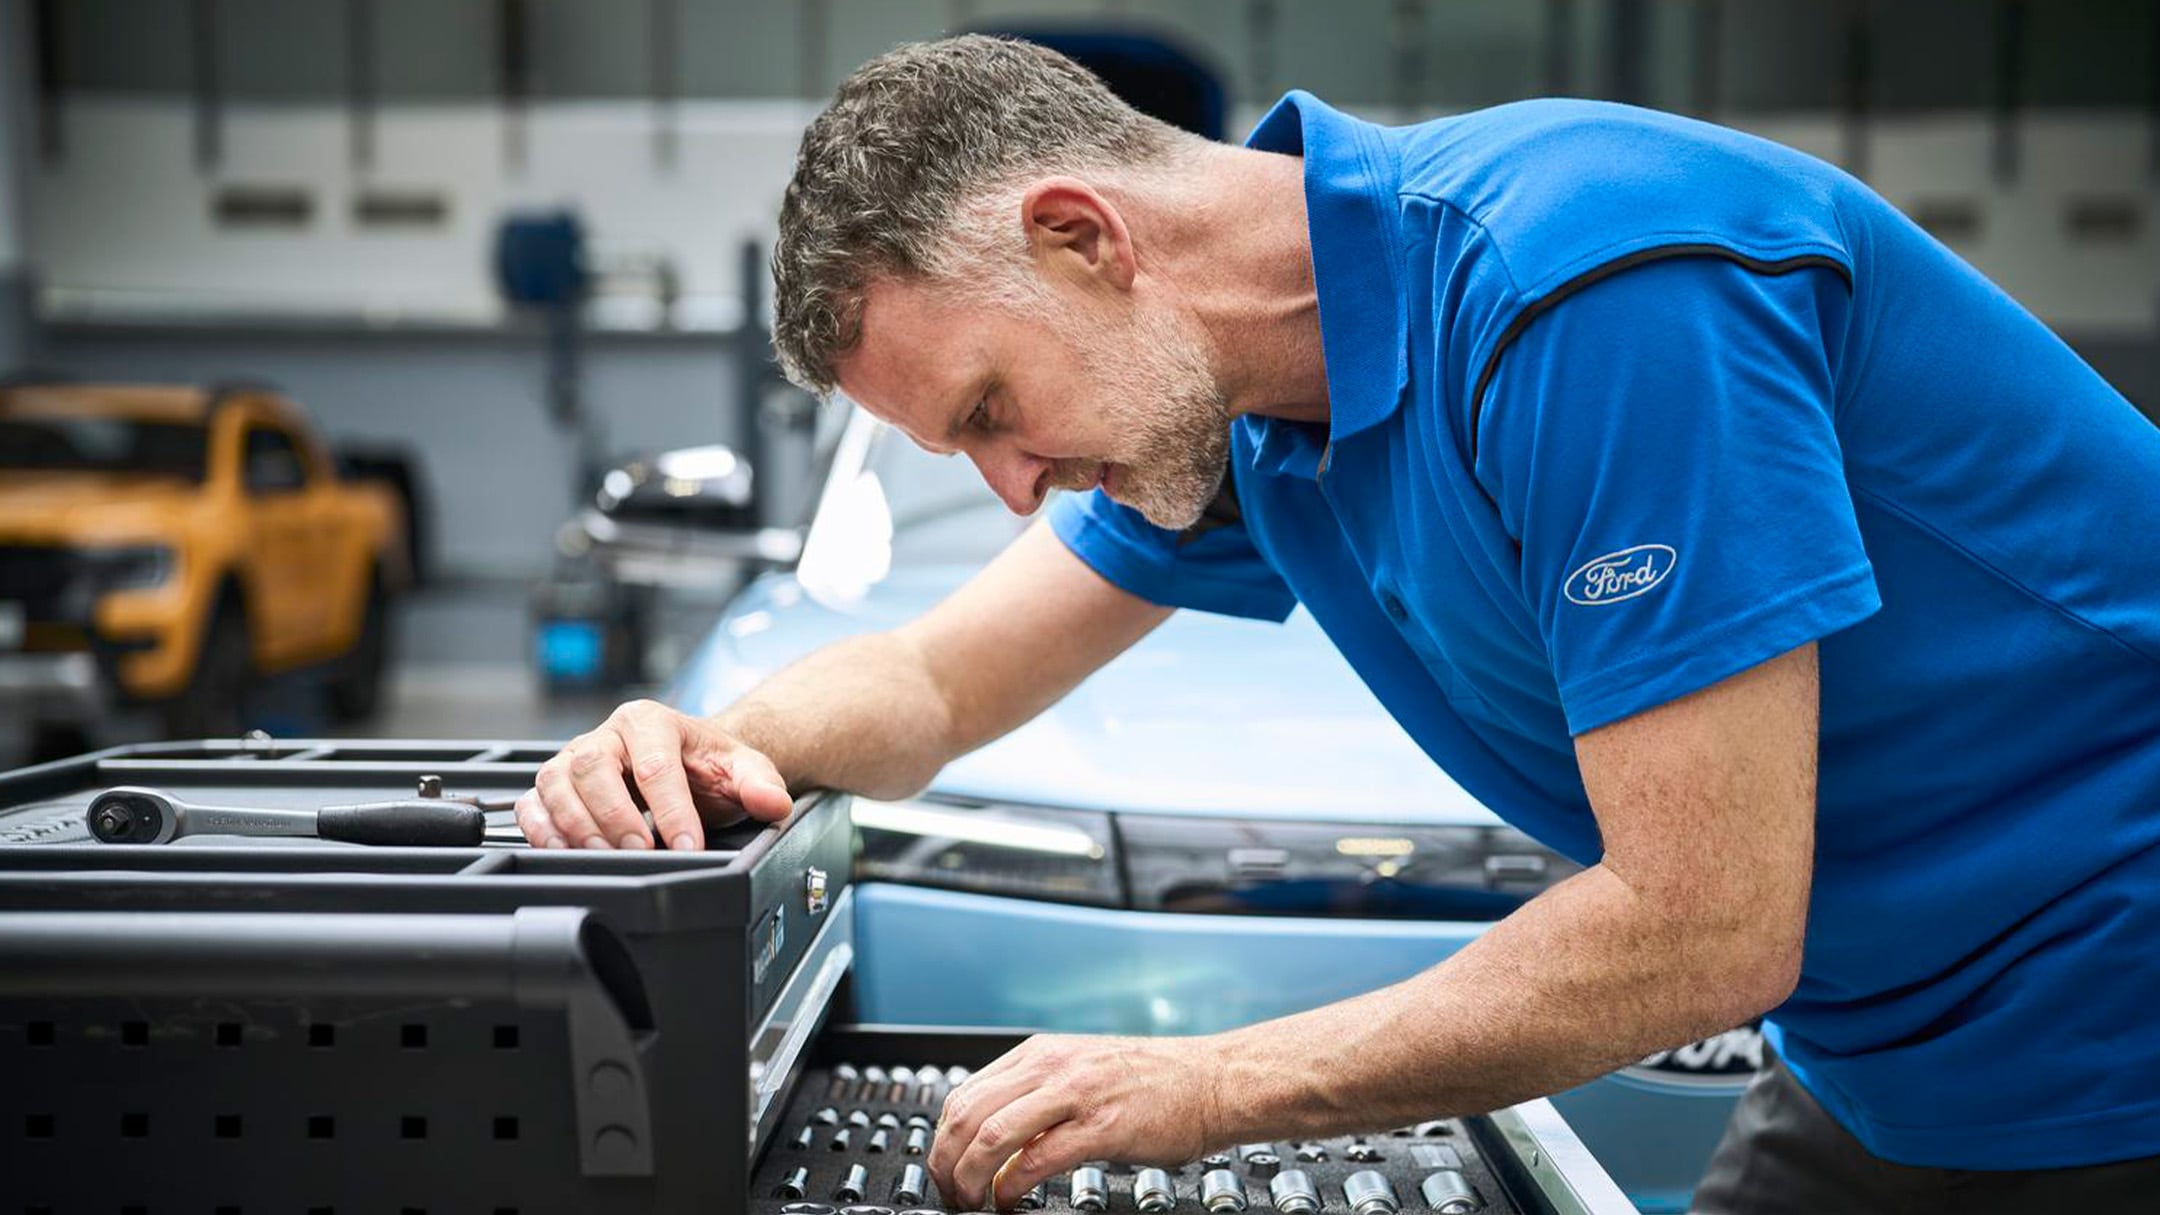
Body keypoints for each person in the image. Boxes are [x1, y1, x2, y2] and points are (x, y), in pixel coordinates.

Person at [517, 35, 2160, 1214]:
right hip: (1891, 1048)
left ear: (1083, 239)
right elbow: (939, 679)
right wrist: (703, 747)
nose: (1018, 490)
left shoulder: (1590, 291)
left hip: (2110, 1019)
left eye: (995, 409)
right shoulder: (1245, 412)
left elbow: (1702, 926)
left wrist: (1208, 1085)